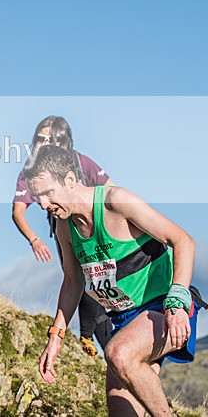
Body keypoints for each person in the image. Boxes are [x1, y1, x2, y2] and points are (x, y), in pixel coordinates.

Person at [23, 145, 199, 416]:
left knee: (119, 354)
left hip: (165, 307)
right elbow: (73, 281)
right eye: (37, 198)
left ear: (70, 180)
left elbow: (183, 241)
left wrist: (177, 303)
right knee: (121, 409)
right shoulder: (64, 228)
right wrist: (56, 336)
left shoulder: (116, 202)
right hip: (124, 319)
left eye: (48, 193)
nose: (44, 205)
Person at [12, 115, 114, 356]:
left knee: (102, 281)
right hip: (65, 232)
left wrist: (112, 218)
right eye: (40, 138)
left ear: (65, 140)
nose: (46, 143)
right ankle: (92, 340)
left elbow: (112, 190)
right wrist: (34, 239)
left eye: (53, 138)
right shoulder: (31, 170)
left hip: (98, 230)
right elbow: (18, 211)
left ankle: (107, 345)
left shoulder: (82, 162)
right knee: (80, 278)